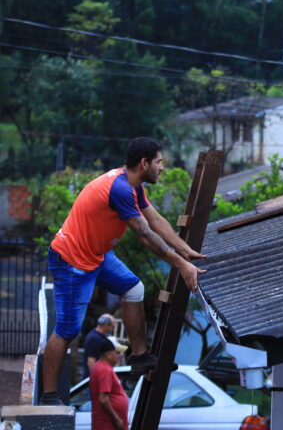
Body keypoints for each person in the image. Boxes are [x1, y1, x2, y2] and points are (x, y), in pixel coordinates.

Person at [40, 137, 206, 406]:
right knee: (68, 329)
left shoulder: (132, 185)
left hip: (96, 254)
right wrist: (182, 265)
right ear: (144, 163)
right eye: (159, 162)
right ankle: (49, 396)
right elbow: (145, 236)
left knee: (134, 289)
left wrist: (186, 251)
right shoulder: (119, 189)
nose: (162, 167)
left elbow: (154, 220)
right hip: (72, 260)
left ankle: (139, 356)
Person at [90, 337, 129, 430]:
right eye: (117, 353)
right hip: (108, 424)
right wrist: (116, 419)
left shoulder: (100, 366)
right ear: (108, 354)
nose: (119, 356)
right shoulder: (105, 369)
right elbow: (103, 399)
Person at [83, 314, 115, 379]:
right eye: (112, 326)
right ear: (106, 325)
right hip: (96, 380)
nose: (112, 329)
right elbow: (91, 362)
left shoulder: (100, 336)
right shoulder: (94, 338)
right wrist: (96, 379)